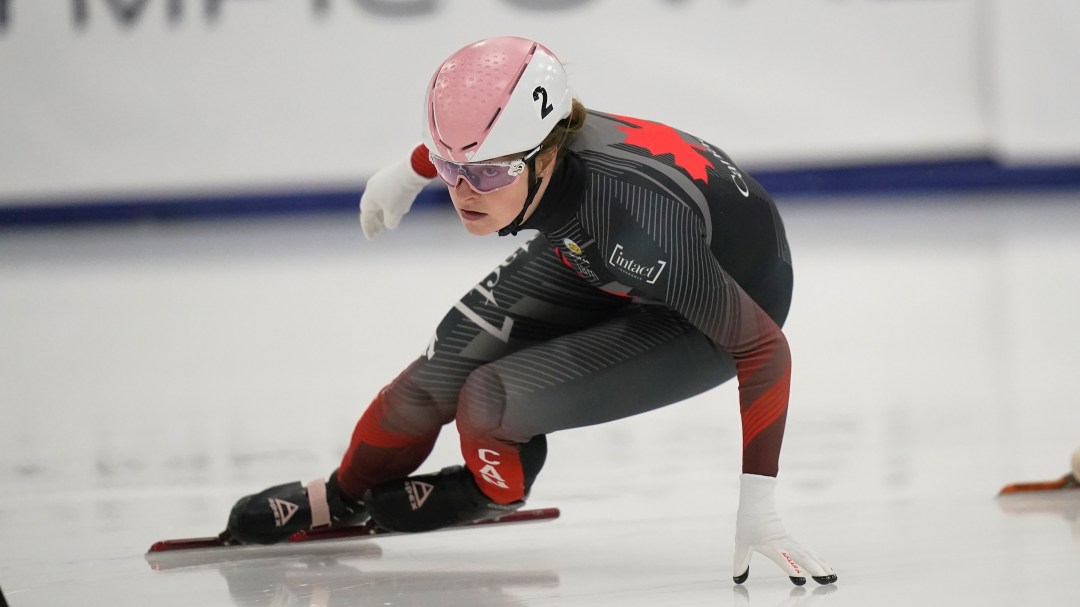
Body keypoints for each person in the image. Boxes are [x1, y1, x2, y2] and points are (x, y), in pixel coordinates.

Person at [225, 35, 837, 586]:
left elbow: (763, 349)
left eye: (487, 175)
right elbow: (472, 148)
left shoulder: (628, 222)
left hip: (715, 303)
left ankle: (489, 489)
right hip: (598, 251)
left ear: (546, 157)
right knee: (430, 377)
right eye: (449, 170)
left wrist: (759, 503)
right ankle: (341, 495)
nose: (464, 193)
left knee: (487, 402)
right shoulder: (535, 148)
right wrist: (412, 171)